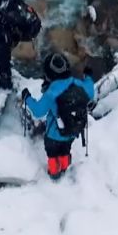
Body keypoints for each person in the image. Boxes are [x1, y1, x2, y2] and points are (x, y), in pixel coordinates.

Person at [22, 52, 94, 180]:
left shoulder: (52, 92)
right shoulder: (79, 85)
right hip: (72, 131)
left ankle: (54, 173)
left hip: (53, 135)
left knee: (52, 154)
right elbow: (91, 90)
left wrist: (27, 98)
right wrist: (88, 76)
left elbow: (38, 112)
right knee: (65, 150)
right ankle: (64, 166)